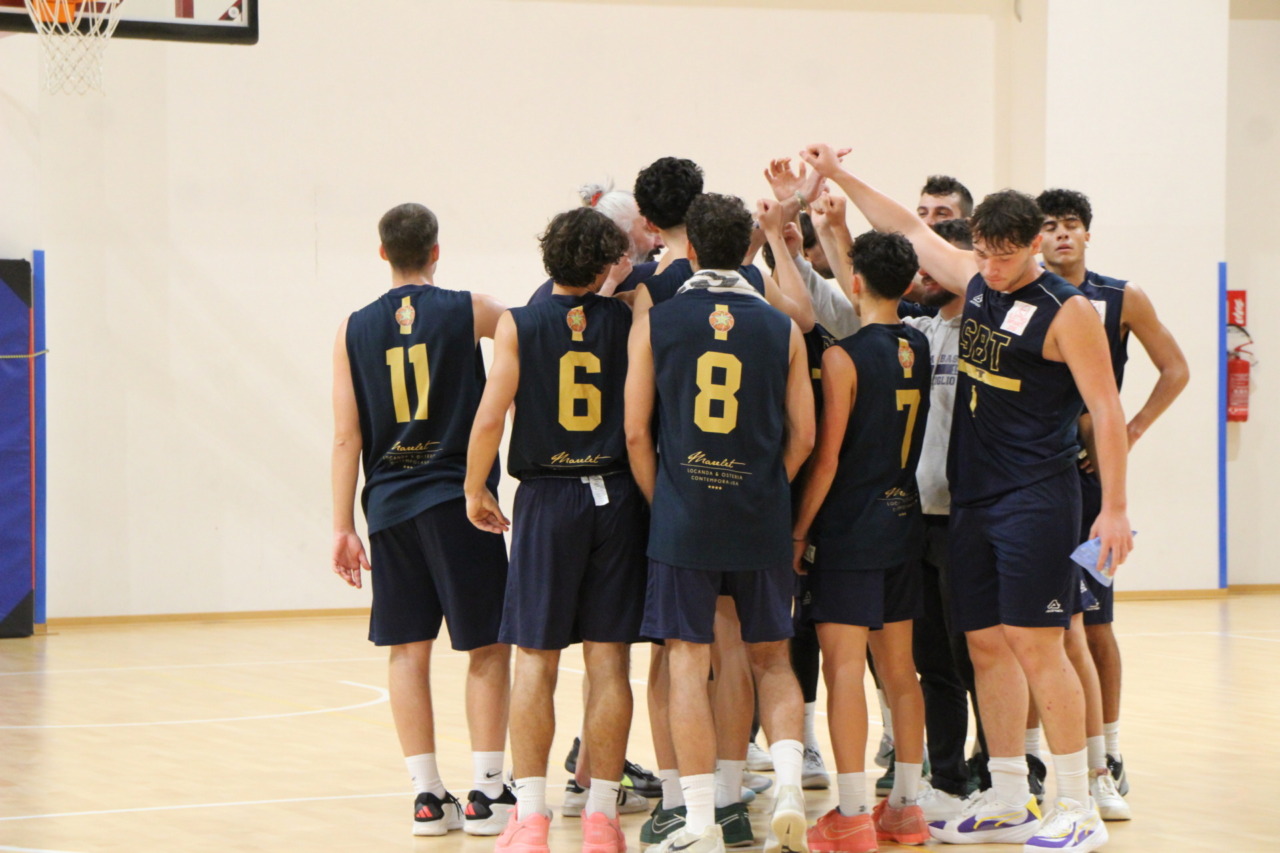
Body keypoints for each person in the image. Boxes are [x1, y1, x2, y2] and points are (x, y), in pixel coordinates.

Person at [801, 143, 1131, 853]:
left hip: (1038, 498)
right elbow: (909, 229)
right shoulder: (978, 281)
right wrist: (840, 175)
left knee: (1039, 644)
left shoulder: (1068, 311)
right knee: (984, 643)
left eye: (1006, 255)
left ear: (1035, 243)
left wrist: (1115, 508)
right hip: (973, 499)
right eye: (983, 252)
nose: (992, 266)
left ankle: (1076, 800)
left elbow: (1105, 410)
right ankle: (1009, 790)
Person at [626, 193, 815, 853]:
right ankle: (788, 785)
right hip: (760, 514)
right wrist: (763, 491)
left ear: (694, 252)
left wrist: (667, 499)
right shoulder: (783, 327)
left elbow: (634, 434)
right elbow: (804, 435)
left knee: (687, 661)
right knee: (771, 659)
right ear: (750, 249)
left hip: (684, 517)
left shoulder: (658, 318)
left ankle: (701, 821)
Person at [466, 207, 646, 853]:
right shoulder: (628, 320)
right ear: (604, 266)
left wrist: (473, 485)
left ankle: (532, 819)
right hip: (616, 496)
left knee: (535, 662)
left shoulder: (520, 321)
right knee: (608, 662)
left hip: (546, 498)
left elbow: (490, 418)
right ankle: (600, 817)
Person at [330, 202, 512, 838]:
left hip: (386, 507)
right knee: (486, 645)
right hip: (458, 500)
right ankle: (489, 793)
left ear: (383, 254)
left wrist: (341, 525)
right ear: (438, 250)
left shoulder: (352, 328)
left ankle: (428, 798)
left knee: (408, 650)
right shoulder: (472, 309)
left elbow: (346, 438)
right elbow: (530, 330)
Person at [1037, 187, 1188, 812]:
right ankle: (1035, 760)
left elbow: (1175, 369)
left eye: (1071, 225)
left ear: (1087, 235)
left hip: (1092, 476)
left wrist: (1129, 430)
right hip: (1037, 471)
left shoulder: (1120, 297)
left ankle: (1111, 752)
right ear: (1035, 238)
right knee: (1044, 624)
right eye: (1049, 227)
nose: (1061, 235)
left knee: (1093, 622)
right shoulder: (1023, 296)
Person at [790, 230, 933, 853]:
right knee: (900, 670)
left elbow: (826, 459)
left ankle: (849, 815)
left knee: (844, 669)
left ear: (854, 283)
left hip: (850, 528)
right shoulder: (919, 346)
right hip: (904, 519)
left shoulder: (843, 358)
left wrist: (798, 531)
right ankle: (906, 807)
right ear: (908, 286)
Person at [901, 219, 987, 817]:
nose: (923, 274)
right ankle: (949, 776)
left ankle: (1008, 766)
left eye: (934, 264)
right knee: (934, 661)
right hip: (919, 521)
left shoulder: (985, 331)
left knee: (979, 656)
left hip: (970, 521)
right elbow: (847, 306)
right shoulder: (920, 331)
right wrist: (826, 233)